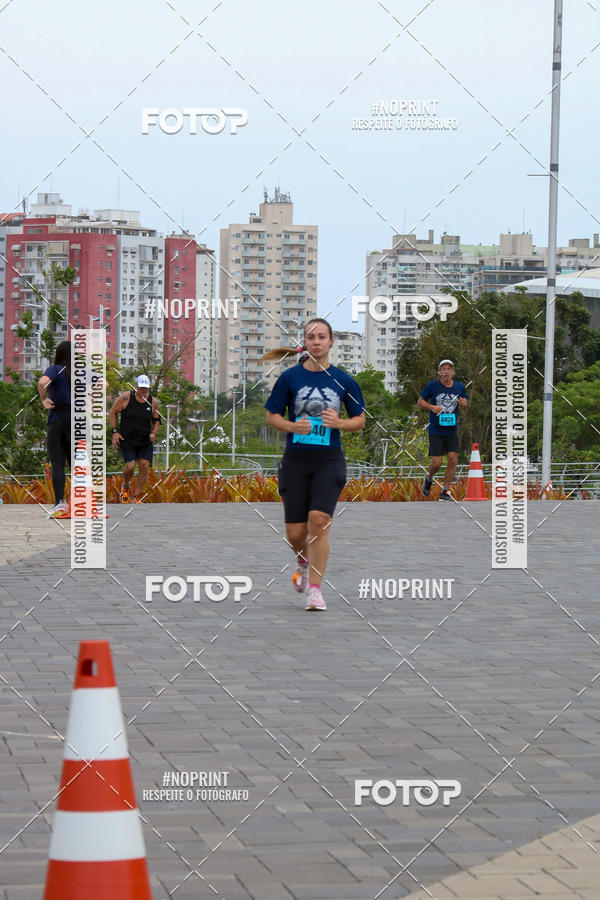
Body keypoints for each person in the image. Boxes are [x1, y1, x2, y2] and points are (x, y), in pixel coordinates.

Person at [263, 318, 365, 610]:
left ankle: (316, 591)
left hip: (328, 460)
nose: (317, 341)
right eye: (311, 337)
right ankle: (302, 560)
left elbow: (360, 419)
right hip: (296, 461)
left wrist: (340, 423)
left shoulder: (344, 381)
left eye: (322, 337)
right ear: (305, 343)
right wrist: (293, 427)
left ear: (331, 342)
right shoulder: (290, 379)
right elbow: (272, 416)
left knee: (318, 522)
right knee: (296, 533)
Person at [418, 359, 468, 501]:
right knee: (437, 462)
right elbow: (420, 401)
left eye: (449, 369)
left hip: (451, 430)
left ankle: (445, 490)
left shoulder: (459, 387)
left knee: (453, 458)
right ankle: (428, 478)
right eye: (443, 369)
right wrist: (432, 407)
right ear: (439, 372)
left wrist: (465, 403)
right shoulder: (433, 386)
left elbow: (465, 404)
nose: (446, 371)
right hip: (436, 430)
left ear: (453, 372)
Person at [109, 375, 160, 503]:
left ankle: (136, 496)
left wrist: (154, 432)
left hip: (144, 440)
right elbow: (112, 412)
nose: (143, 391)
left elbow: (157, 420)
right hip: (127, 439)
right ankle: (125, 485)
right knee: (130, 466)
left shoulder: (152, 401)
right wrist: (115, 432)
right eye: (140, 388)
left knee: (144, 465)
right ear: (136, 386)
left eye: (145, 389)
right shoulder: (126, 397)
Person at [37, 341, 72, 516]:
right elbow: (104, 384)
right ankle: (83, 503)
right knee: (78, 464)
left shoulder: (55, 369)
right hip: (76, 421)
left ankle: (60, 503)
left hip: (58, 418)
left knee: (58, 464)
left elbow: (42, 383)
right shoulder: (81, 372)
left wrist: (44, 400)